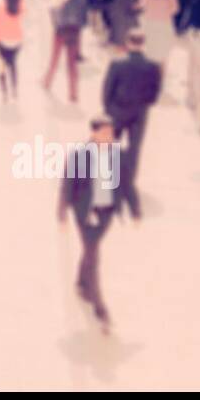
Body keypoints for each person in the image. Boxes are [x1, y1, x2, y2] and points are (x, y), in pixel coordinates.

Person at [57, 117, 126, 331]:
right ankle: (100, 308)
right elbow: (67, 186)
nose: (110, 137)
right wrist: (62, 213)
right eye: (105, 133)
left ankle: (81, 283)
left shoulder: (116, 155)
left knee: (89, 252)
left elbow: (125, 183)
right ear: (94, 133)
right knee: (94, 256)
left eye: (111, 133)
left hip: (106, 214)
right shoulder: (79, 156)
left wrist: (134, 208)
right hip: (85, 214)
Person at [101, 32, 162, 220]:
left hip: (117, 110)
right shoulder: (153, 66)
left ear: (128, 42)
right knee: (134, 148)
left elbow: (107, 88)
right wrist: (144, 103)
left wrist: (108, 108)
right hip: (139, 113)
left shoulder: (117, 63)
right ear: (143, 43)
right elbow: (155, 93)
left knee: (110, 146)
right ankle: (129, 181)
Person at [42, 0, 87, 103]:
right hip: (74, 31)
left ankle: (47, 82)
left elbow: (53, 11)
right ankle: (73, 93)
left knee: (54, 59)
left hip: (61, 30)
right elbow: (83, 16)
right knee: (72, 64)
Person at [0, 0, 24, 103]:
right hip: (16, 43)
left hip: (3, 43)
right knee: (13, 64)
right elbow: (24, 4)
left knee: (0, 67)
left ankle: (4, 92)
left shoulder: (0, 9)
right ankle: (14, 89)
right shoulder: (20, 8)